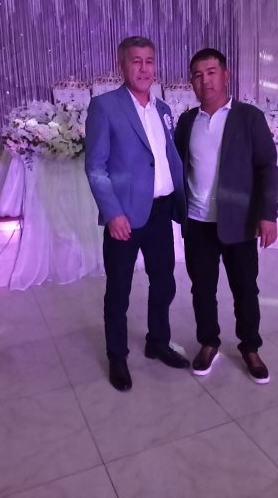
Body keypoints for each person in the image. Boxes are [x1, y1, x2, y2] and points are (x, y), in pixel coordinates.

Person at [85, 36, 189, 392]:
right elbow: (96, 167)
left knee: (164, 282)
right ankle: (117, 355)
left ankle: (158, 341)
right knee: (119, 289)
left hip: (160, 211)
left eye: (149, 61)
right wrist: (112, 212)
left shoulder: (163, 109)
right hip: (125, 216)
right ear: (122, 66)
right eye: (136, 61)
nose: (144, 69)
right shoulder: (104, 107)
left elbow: (167, 156)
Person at [175, 48, 278, 384]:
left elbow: (267, 168)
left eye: (211, 72)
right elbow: (178, 167)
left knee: (245, 288)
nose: (205, 80)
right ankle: (209, 342)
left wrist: (268, 214)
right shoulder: (187, 122)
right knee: (202, 289)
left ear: (225, 75)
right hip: (198, 223)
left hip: (239, 222)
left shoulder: (249, 117)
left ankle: (250, 347)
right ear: (192, 81)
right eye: (197, 74)